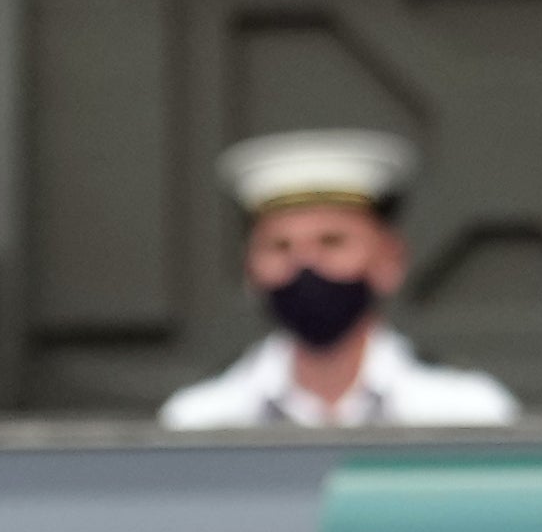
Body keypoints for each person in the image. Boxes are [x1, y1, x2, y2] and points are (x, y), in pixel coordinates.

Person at [158, 124, 510, 426]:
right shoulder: (201, 418)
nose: (305, 264)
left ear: (390, 260)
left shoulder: (464, 411)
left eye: (332, 242)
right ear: (250, 268)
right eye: (280, 246)